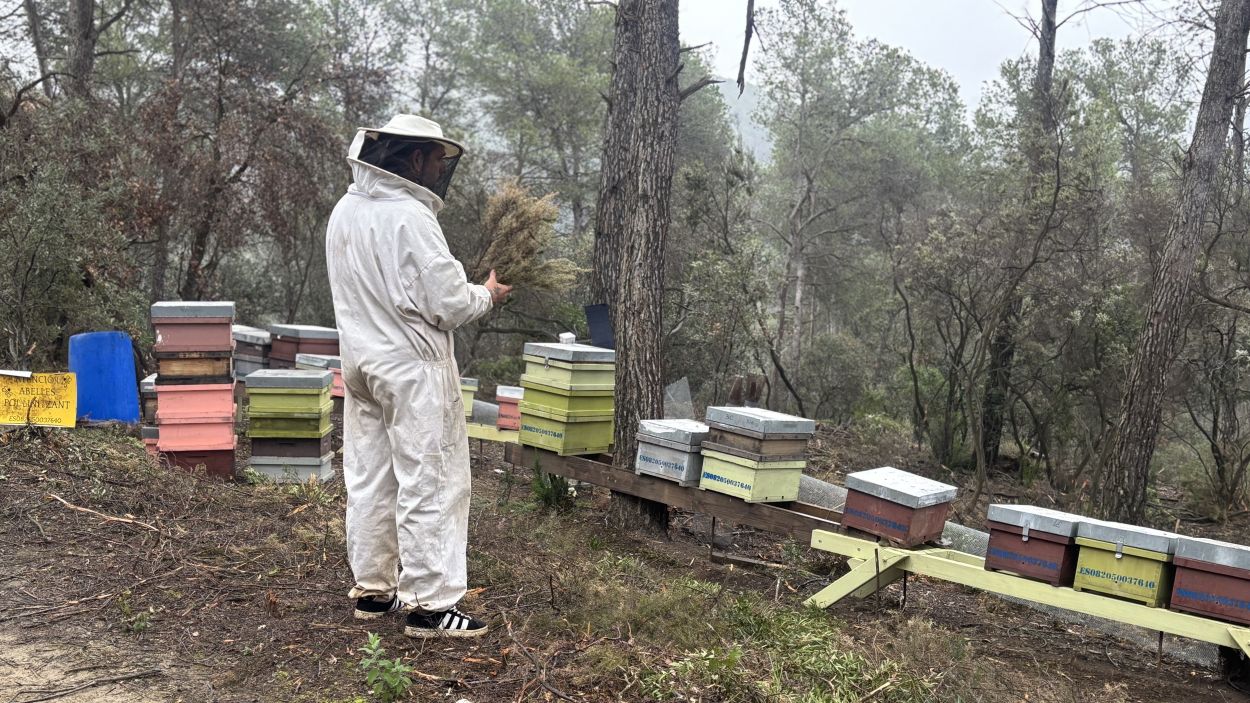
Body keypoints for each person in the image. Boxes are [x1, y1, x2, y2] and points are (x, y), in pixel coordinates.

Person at [325, 114, 511, 638]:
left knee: (370, 478)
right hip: (412, 369)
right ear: (412, 159)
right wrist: (487, 295)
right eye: (434, 158)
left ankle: (373, 590)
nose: (437, 169)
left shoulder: (345, 210)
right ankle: (430, 604)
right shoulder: (411, 216)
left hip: (361, 363)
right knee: (430, 479)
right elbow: (448, 303)